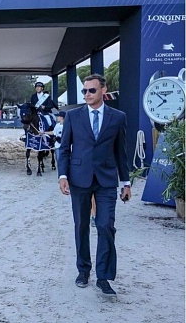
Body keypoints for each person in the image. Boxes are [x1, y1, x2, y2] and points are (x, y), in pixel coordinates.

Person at [57, 73, 131, 299]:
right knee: (81, 226)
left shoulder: (118, 117)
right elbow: (64, 148)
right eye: (84, 91)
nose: (87, 94)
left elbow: (121, 152)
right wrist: (62, 175)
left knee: (106, 225)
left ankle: (103, 277)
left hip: (106, 180)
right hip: (79, 179)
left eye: (91, 90)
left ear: (103, 91)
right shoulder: (73, 116)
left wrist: (126, 182)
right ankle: (83, 270)